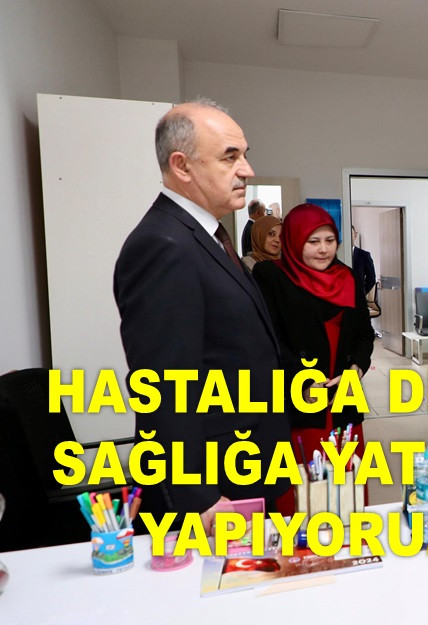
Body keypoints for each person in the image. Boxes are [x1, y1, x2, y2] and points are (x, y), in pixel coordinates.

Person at [113, 99, 290, 532]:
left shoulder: (207, 236)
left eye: (244, 155)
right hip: (213, 490)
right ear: (182, 166)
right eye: (230, 157)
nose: (247, 170)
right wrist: (199, 499)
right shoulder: (163, 245)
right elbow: (163, 385)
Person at [252, 203, 375, 512]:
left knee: (347, 489)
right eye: (313, 241)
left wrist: (356, 368)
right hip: (299, 400)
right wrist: (301, 380)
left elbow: (364, 333)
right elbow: (268, 339)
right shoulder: (272, 277)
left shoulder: (347, 276)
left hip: (344, 397)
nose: (323, 249)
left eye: (330, 240)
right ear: (294, 241)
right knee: (304, 491)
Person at [351, 226, 377, 296]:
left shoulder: (364, 255)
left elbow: (371, 279)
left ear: (355, 235)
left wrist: (362, 294)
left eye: (350, 234)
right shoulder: (335, 255)